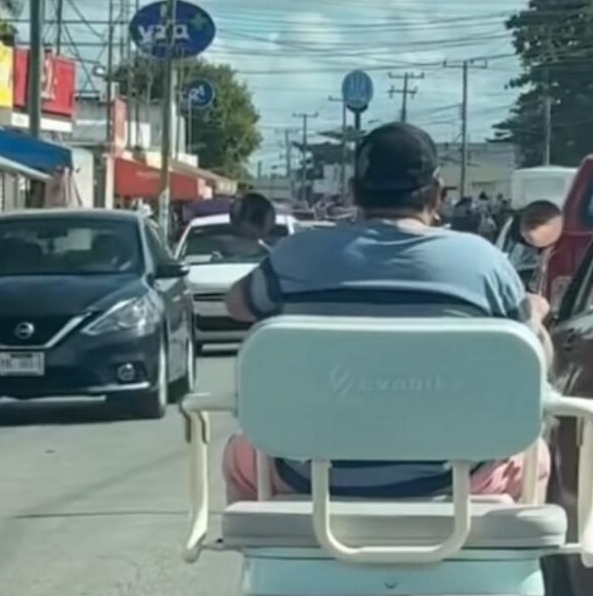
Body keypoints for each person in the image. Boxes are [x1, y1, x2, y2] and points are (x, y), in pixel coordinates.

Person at [222, 121, 552, 503]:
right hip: (454, 482)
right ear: (437, 194)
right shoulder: (485, 264)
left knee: (239, 455)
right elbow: (536, 363)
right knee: (535, 455)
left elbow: (237, 305)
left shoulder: (295, 256)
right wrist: (537, 317)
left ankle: (262, 558)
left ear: (354, 193)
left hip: (309, 479)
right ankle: (513, 560)